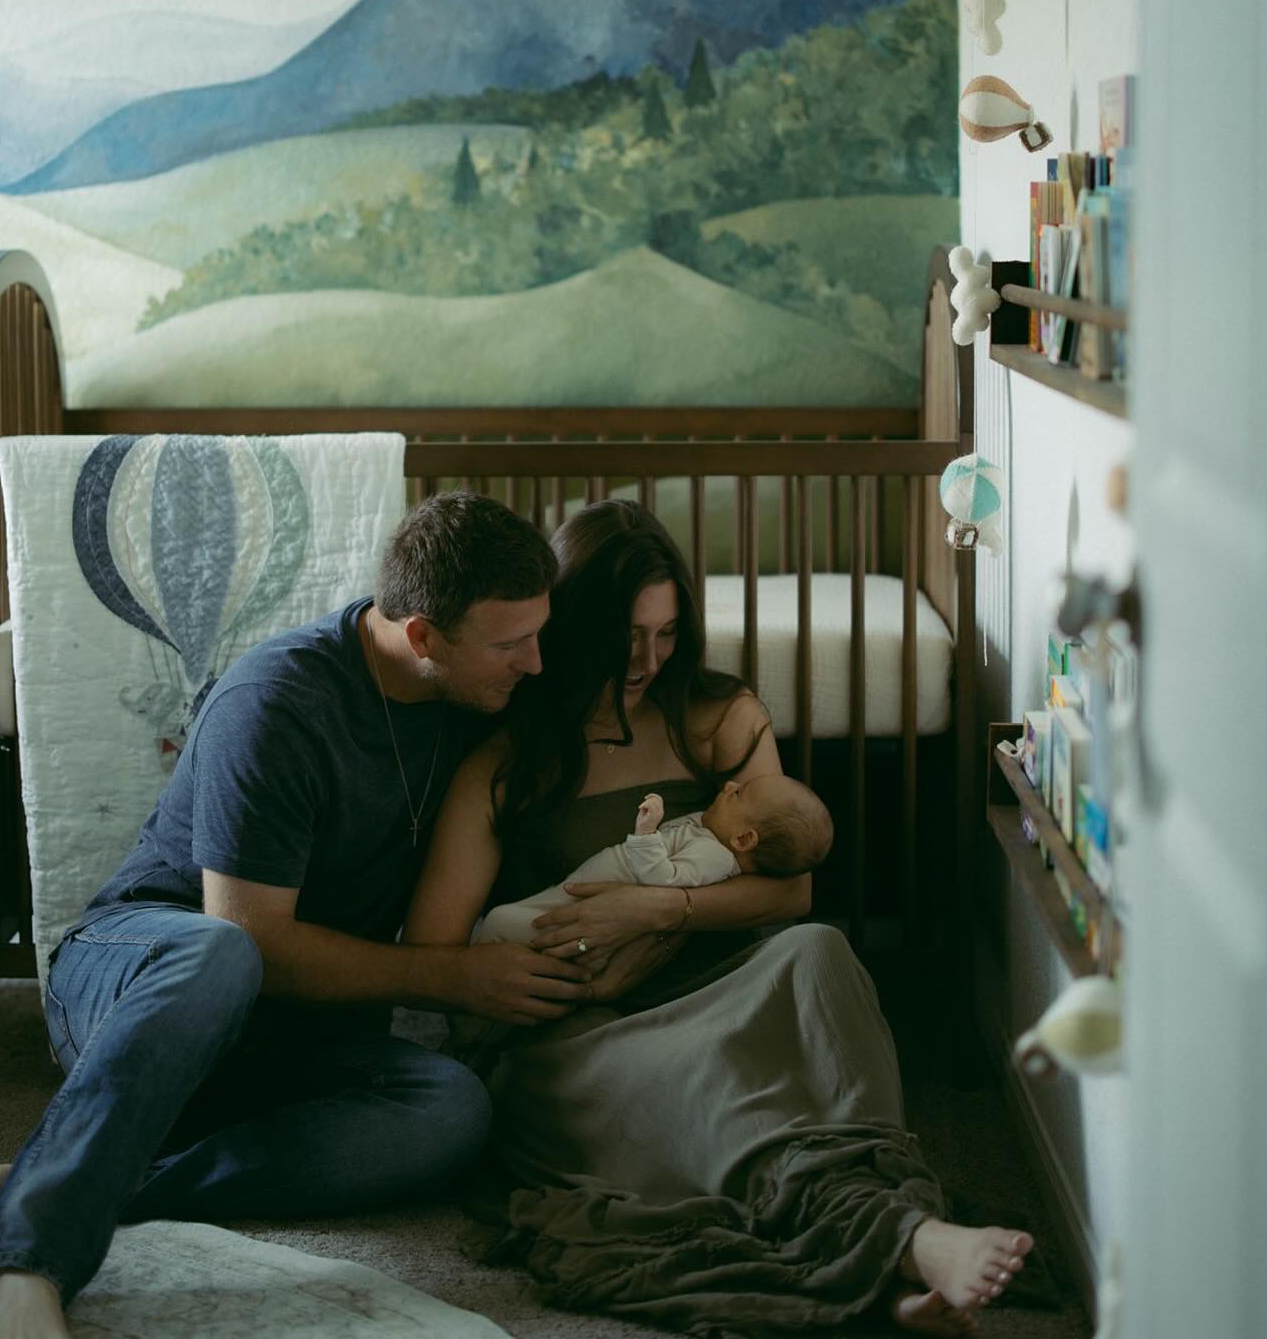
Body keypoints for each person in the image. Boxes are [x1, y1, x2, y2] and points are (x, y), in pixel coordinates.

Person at [0, 490, 597, 1339]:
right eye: (510, 644)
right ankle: (28, 1260)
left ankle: (95, 1177)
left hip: (293, 1035)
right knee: (221, 953)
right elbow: (254, 937)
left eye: (538, 635)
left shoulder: (480, 699)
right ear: (423, 637)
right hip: (147, 976)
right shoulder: (278, 701)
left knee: (450, 1109)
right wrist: (454, 979)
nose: (534, 665)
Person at [405, 500, 1034, 1337]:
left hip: (714, 975)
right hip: (579, 1028)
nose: (648, 659)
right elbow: (435, 954)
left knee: (818, 952)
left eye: (667, 634)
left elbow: (790, 892)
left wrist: (652, 910)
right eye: (627, 636)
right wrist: (565, 966)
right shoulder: (507, 759)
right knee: (737, 1096)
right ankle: (906, 1247)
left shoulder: (717, 716)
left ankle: (893, 1240)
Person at [477, 776, 833, 968]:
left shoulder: (714, 857)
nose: (728, 785)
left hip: (592, 904)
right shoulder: (712, 834)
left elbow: (663, 884)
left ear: (743, 839)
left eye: (739, 794)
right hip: (584, 892)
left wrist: (647, 831)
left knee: (501, 923)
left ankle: (472, 1019)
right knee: (518, 923)